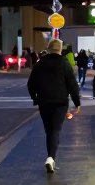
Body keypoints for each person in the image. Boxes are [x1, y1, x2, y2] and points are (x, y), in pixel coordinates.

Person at [26, 38, 80, 173]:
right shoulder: (64, 63)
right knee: (56, 130)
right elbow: (72, 84)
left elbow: (31, 84)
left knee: (49, 130)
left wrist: (35, 98)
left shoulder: (39, 64)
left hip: (44, 101)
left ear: (49, 48)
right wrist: (77, 102)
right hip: (60, 102)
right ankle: (51, 158)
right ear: (60, 49)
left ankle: (50, 157)